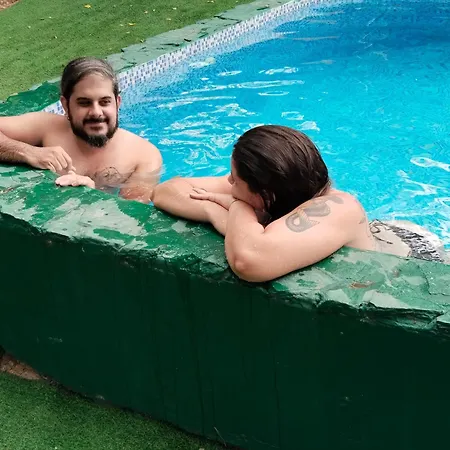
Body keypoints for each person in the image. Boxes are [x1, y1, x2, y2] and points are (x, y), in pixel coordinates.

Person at [153, 125, 376, 282]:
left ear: (265, 196)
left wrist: (237, 206)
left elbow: (248, 262)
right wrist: (212, 210)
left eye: (234, 180)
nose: (228, 182)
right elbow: (165, 191)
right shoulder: (271, 189)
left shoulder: (338, 207)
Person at [0, 57, 162, 203]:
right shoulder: (46, 127)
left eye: (105, 102)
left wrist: (92, 195)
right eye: (84, 103)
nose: (96, 112)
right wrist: (28, 152)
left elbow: (130, 218)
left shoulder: (144, 156)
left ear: (117, 103)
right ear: (65, 105)